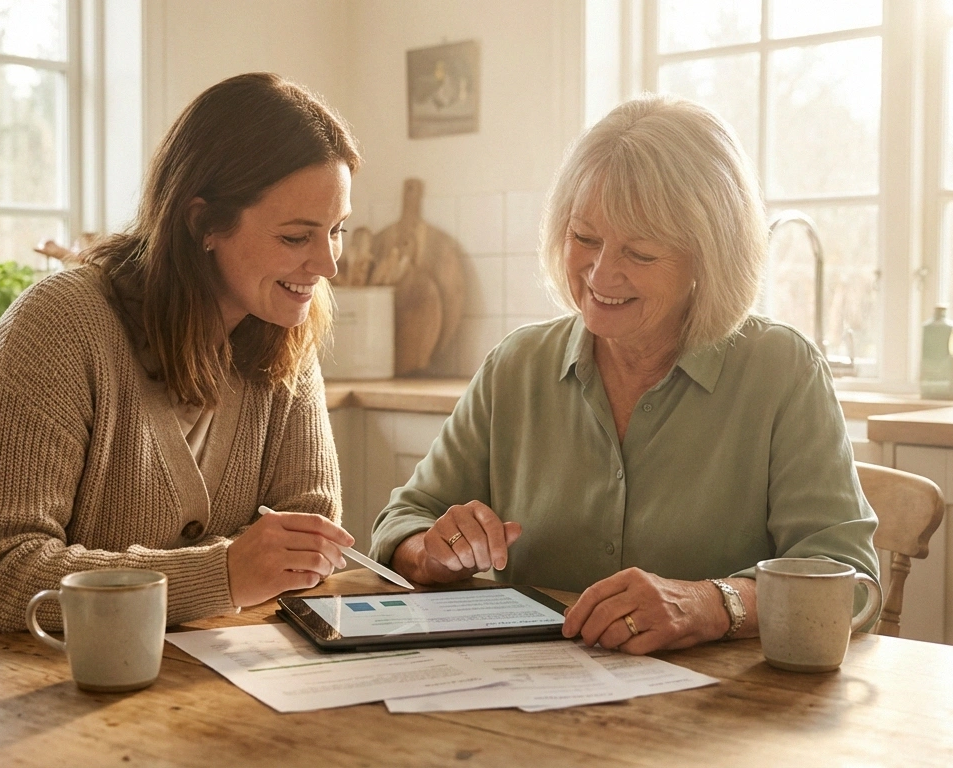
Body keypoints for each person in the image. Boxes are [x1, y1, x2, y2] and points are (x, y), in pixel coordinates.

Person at [369, 94, 880, 655]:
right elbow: (402, 522)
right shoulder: (517, 367)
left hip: (724, 720)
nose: (601, 272)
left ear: (707, 259)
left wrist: (712, 605)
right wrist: (431, 550)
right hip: (530, 710)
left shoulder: (782, 372)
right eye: (585, 237)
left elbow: (849, 581)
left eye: (639, 252)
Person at [0, 73, 359, 654]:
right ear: (202, 223)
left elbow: (302, 542)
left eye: (336, 230)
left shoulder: (284, 331)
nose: (328, 264)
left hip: (148, 679)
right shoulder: (60, 325)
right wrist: (222, 575)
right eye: (295, 237)